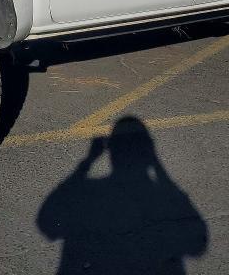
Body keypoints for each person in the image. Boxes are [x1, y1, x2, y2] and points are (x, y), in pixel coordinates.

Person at [37, 116, 208, 274]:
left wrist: (89, 159)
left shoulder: (90, 192)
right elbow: (198, 244)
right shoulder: (164, 199)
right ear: (147, 153)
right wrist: (157, 165)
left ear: (111, 152)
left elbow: (45, 221)